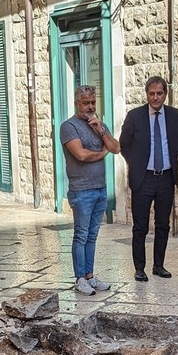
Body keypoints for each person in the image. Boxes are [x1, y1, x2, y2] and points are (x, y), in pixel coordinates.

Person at [119, 76, 178, 282]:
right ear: (146, 94)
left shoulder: (174, 115)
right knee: (140, 226)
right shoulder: (135, 116)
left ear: (165, 94)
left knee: (163, 225)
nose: (156, 97)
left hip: (165, 177)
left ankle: (159, 265)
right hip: (143, 178)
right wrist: (137, 164)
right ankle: (140, 268)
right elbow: (124, 144)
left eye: (159, 93)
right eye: (152, 93)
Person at [60, 85, 121, 295]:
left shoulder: (98, 124)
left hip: (100, 188)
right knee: (81, 235)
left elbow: (116, 148)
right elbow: (82, 155)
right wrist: (102, 153)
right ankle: (79, 279)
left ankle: (90, 275)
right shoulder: (69, 126)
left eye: (93, 102)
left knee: (92, 235)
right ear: (77, 103)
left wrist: (101, 131)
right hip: (81, 190)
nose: (90, 107)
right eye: (86, 103)